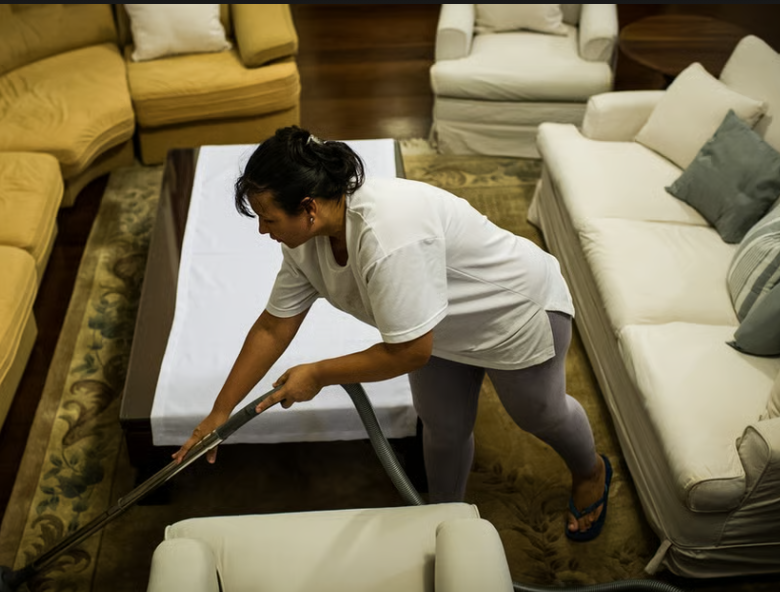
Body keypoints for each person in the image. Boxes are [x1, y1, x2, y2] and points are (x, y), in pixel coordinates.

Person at [173, 126, 612, 541]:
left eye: (267, 219)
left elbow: (409, 352)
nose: (262, 230)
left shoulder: (388, 236)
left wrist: (319, 373)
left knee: (538, 414)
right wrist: (220, 413)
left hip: (512, 313)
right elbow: (273, 326)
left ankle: (591, 471)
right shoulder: (303, 244)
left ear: (308, 208)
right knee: (443, 426)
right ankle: (444, 518)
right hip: (436, 326)